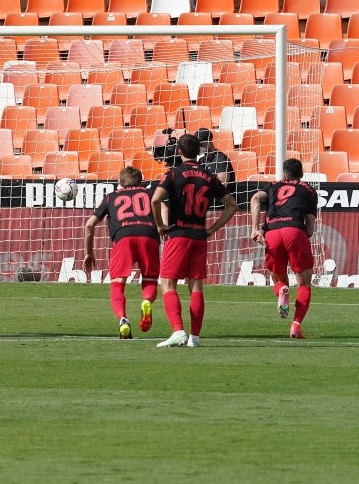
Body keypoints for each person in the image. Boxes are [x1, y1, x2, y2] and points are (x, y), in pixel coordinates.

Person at [150, 133, 239, 348]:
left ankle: (178, 330)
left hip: (178, 233)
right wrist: (212, 229)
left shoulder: (173, 173)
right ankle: (195, 338)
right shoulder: (209, 176)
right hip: (199, 234)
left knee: (168, 283)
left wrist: (160, 225)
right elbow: (232, 205)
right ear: (199, 151)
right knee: (196, 286)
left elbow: (155, 199)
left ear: (179, 151)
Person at [83, 166, 159, 340]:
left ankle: (123, 319)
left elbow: (89, 225)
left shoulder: (111, 197)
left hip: (123, 238)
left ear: (119, 183)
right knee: (150, 278)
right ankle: (146, 300)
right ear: (141, 181)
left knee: (117, 284)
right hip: (148, 235)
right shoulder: (150, 193)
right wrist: (163, 228)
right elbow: (164, 210)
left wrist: (89, 253)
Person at [249, 158, 318, 339]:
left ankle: (281, 290)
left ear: (284, 174)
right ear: (301, 174)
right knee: (304, 284)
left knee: (277, 277)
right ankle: (296, 325)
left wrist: (255, 228)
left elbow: (255, 198)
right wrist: (306, 233)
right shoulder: (309, 190)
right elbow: (310, 226)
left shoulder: (272, 185)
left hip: (272, 233)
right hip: (294, 231)